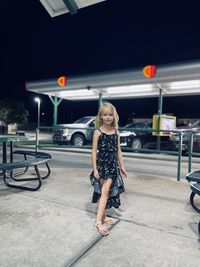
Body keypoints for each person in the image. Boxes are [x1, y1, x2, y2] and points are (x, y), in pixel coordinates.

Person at [90, 102, 128, 236]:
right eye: (105, 114)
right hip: (101, 166)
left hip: (112, 167)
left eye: (110, 115)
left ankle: (98, 222)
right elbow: (94, 151)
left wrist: (122, 166)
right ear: (100, 116)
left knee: (105, 192)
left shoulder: (116, 132)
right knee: (102, 193)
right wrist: (95, 169)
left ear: (114, 116)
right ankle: (101, 219)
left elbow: (119, 151)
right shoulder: (97, 132)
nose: (107, 117)